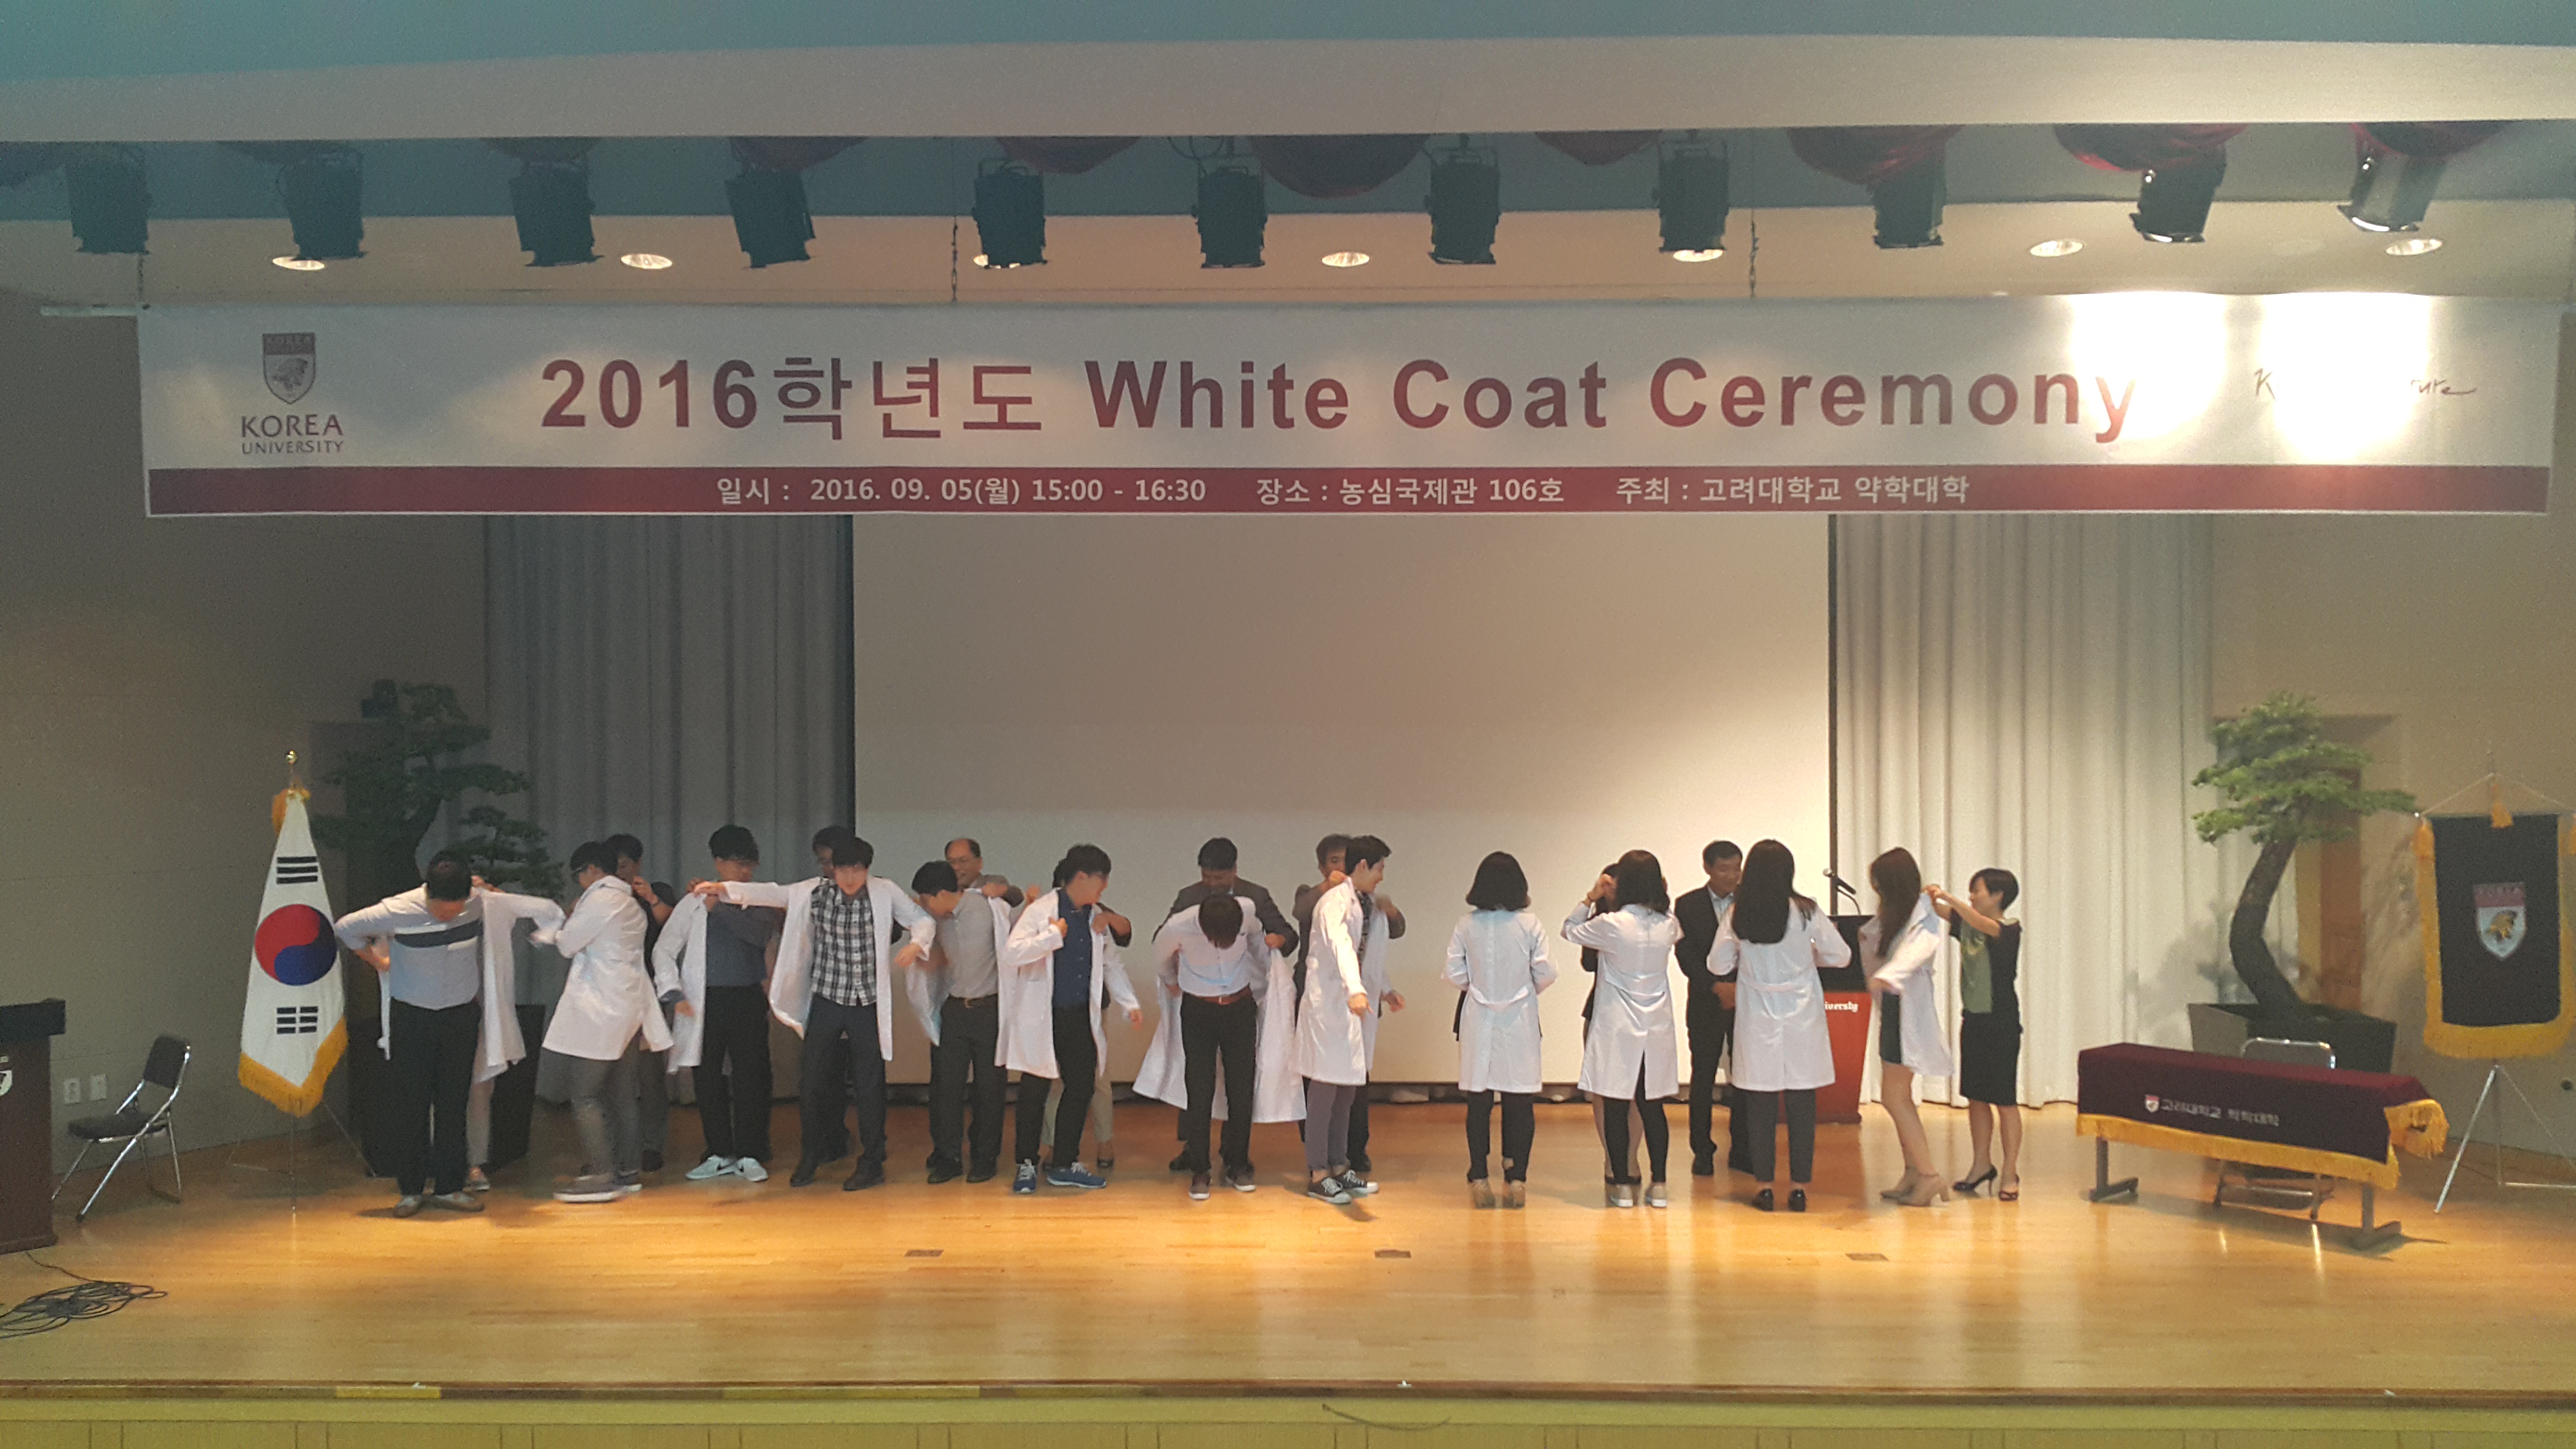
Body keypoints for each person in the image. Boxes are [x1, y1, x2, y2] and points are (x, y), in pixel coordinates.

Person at [699, 827, 933, 1191]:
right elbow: (774, 894)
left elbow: (922, 919)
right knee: (812, 1081)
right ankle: (811, 1154)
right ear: (833, 870)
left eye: (857, 870)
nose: (850, 878)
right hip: (827, 997)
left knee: (870, 1083)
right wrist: (725, 889)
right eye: (843, 870)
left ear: (867, 870)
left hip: (866, 1001)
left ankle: (872, 1161)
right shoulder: (815, 892)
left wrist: (917, 945)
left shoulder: (885, 891)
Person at [334, 853, 562, 1217]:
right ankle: (411, 1190)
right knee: (412, 1103)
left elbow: (537, 907)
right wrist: (379, 962)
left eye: (456, 909)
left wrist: (527, 919)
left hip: (460, 1014)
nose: (448, 916)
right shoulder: (398, 909)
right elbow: (346, 927)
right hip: (412, 1014)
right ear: (428, 893)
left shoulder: (478, 902)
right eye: (442, 909)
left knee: (454, 1102)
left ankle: (450, 1186)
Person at [1712, 839, 1851, 1213]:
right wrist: (1810, 956)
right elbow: (1841, 955)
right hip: (1801, 1013)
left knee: (1760, 1102)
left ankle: (1764, 1187)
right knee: (1802, 1101)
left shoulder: (1738, 914)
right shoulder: (1806, 911)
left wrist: (1744, 958)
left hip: (1758, 1015)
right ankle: (1800, 1187)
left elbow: (1715, 964)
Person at [1001, 844, 1143, 1193]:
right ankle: (1026, 1163)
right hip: (1042, 1016)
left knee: (1081, 1086)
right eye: (1101, 880)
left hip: (1078, 1015)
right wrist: (1052, 936)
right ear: (1081, 877)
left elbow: (1111, 964)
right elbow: (1012, 953)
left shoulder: (1096, 916)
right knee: (1034, 1090)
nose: (1104, 888)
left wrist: (1129, 1003)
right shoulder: (1041, 911)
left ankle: (1064, 1162)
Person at [533, 841, 669, 1204]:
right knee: (623, 1094)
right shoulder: (630, 902)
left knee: (585, 1094)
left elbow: (568, 945)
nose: (579, 882)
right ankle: (627, 1171)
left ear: (592, 870)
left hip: (601, 1008)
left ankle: (601, 1174)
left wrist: (554, 929)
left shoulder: (600, 900)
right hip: (629, 1005)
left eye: (579, 875)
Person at [651, 825, 783, 1183]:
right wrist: (674, 992)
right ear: (718, 862)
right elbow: (664, 948)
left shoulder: (760, 898)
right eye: (737, 864)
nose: (744, 872)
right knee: (707, 1075)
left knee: (752, 1075)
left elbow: (758, 936)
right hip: (703, 999)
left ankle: (752, 1151)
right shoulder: (694, 901)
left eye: (749, 865)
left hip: (746, 995)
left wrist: (720, 907)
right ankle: (718, 1151)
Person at [1156, 837, 1298, 1171]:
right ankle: (1194, 1150)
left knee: (1238, 1082)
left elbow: (1288, 935)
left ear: (1234, 870)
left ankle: (1235, 1152)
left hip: (1242, 997)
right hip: (1199, 1000)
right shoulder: (1189, 897)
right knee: (1198, 1080)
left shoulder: (1254, 898)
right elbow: (1163, 940)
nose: (1212, 884)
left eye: (1219, 878)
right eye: (1207, 876)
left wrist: (1278, 939)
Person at [1563, 852, 1683, 1209]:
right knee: (1652, 1107)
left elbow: (1570, 929)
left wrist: (1592, 897)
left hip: (1618, 1026)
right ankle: (1659, 1185)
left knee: (1615, 1106)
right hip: (1656, 1027)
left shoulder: (1612, 924)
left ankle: (1621, 1185)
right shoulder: (1668, 925)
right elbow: (1673, 921)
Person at [1290, 835, 1405, 1204]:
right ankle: (1318, 1173)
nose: (1382, 877)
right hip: (1329, 1006)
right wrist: (1355, 989)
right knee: (1324, 1091)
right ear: (1363, 866)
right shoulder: (1334, 903)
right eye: (1380, 868)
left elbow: (1368, 955)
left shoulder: (1368, 903)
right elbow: (1342, 948)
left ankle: (1340, 1167)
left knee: (1347, 1092)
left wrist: (1385, 989)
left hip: (1355, 1007)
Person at [1144, 893, 1279, 1198]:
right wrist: (1172, 981)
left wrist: (1270, 969)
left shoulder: (1247, 910)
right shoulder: (1178, 927)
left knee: (1241, 1088)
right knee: (1199, 1089)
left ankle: (1238, 1163)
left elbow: (1256, 938)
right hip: (1199, 1010)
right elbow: (1160, 958)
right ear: (1203, 929)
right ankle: (1200, 1169)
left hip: (1240, 1007)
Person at [1445, 851, 1555, 1208]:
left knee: (1479, 1100)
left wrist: (1480, 990)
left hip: (1478, 1018)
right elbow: (1547, 972)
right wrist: (1522, 993)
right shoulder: (1530, 925)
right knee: (1519, 1098)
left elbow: (1454, 973)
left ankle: (1479, 1175)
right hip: (1520, 1020)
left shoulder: (1466, 925)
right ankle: (1517, 1175)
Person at [912, 856, 1014, 1184]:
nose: (925, 906)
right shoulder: (934, 921)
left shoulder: (987, 908)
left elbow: (1014, 924)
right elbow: (939, 954)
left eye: (927, 899)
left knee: (990, 1088)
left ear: (943, 894)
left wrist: (1009, 891)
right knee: (946, 1088)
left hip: (988, 1008)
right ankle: (948, 1157)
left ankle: (985, 1158)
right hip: (954, 1008)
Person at [1862, 847, 1954, 1209]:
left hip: (1905, 1010)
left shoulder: (1923, 912)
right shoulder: (1895, 915)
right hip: (1895, 1007)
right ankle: (1914, 1171)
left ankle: (1929, 1175)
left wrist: (1887, 975)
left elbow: (1916, 952)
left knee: (1895, 1096)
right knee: (1897, 1095)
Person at [1932, 868, 2024, 1202]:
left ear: (1998, 896)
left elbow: (1980, 923)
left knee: (2005, 1100)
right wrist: (1929, 896)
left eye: (1978, 891)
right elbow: (1944, 913)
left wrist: (1950, 898)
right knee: (1976, 1097)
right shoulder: (1968, 924)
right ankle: (1981, 1164)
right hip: (1973, 1021)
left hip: (2002, 1023)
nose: (1972, 896)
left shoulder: (2009, 929)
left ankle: (2010, 1171)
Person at [1674, 840, 1752, 1178]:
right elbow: (1686, 955)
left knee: (1745, 1075)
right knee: (1703, 1076)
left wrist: (1738, 987)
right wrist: (1716, 986)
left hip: (1746, 999)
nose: (1732, 876)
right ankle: (1702, 1150)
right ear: (1708, 868)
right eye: (1724, 869)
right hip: (1705, 1000)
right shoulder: (1688, 904)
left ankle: (1743, 1149)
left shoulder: (1750, 901)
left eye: (1737, 868)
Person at [606, 834, 680, 1174]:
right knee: (612, 1074)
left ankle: (652, 1144)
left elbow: (672, 923)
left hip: (649, 992)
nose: (620, 871)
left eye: (625, 864)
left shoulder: (656, 891)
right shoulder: (604, 897)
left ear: (638, 864)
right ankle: (615, 1146)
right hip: (612, 995)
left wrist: (649, 896)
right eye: (614, 865)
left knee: (650, 1075)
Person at [944, 837, 1026, 908]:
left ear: (980, 863)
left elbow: (1018, 897)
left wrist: (1003, 891)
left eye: (963, 861)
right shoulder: (945, 891)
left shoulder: (994, 882)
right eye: (951, 862)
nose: (956, 867)